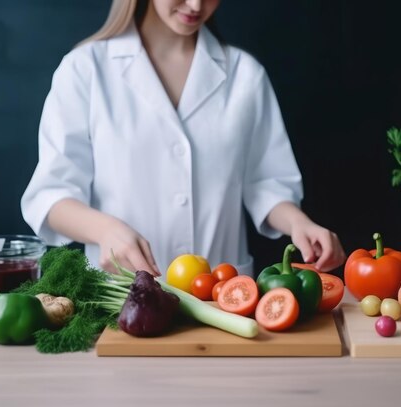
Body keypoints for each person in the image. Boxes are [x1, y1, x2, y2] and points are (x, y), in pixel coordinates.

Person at [21, 0, 346, 279]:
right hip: (119, 300)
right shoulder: (85, 69)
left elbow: (265, 183)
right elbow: (52, 197)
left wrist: (298, 223)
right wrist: (104, 230)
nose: (195, 5)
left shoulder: (245, 74)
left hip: (222, 297)